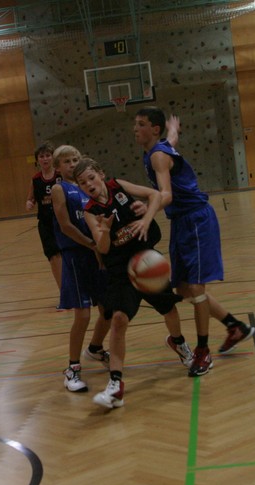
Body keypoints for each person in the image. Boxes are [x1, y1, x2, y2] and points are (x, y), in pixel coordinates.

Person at [134, 107, 255, 377]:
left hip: (196, 220)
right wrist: (173, 130)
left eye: (141, 124)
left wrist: (148, 211)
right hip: (181, 223)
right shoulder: (160, 148)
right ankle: (235, 326)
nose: (135, 129)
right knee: (185, 289)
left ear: (154, 129)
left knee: (197, 288)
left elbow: (166, 195)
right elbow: (172, 141)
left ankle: (203, 351)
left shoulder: (158, 156)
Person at [75, 157, 190, 409]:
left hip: (145, 261)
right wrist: (105, 230)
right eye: (83, 183)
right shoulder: (91, 211)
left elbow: (155, 195)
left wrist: (146, 217)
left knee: (169, 309)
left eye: (91, 178)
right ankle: (115, 384)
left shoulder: (118, 186)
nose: (89, 184)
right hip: (120, 271)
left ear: (101, 174)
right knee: (118, 319)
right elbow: (103, 247)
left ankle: (179, 343)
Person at [50, 145, 112, 392]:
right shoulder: (60, 189)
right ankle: (72, 368)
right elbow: (65, 226)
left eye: (75, 159)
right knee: (83, 315)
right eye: (66, 161)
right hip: (76, 255)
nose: (73, 164)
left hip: (95, 254)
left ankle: (95, 348)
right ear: (57, 167)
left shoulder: (86, 187)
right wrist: (91, 244)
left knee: (108, 309)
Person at [25, 142, 62, 291]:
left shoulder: (61, 175)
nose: (45, 159)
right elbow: (30, 198)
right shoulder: (35, 179)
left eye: (48, 155)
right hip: (46, 224)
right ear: (37, 160)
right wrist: (29, 203)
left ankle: (75, 288)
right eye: (41, 156)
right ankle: (62, 291)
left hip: (63, 221)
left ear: (53, 157)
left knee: (67, 255)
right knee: (53, 257)